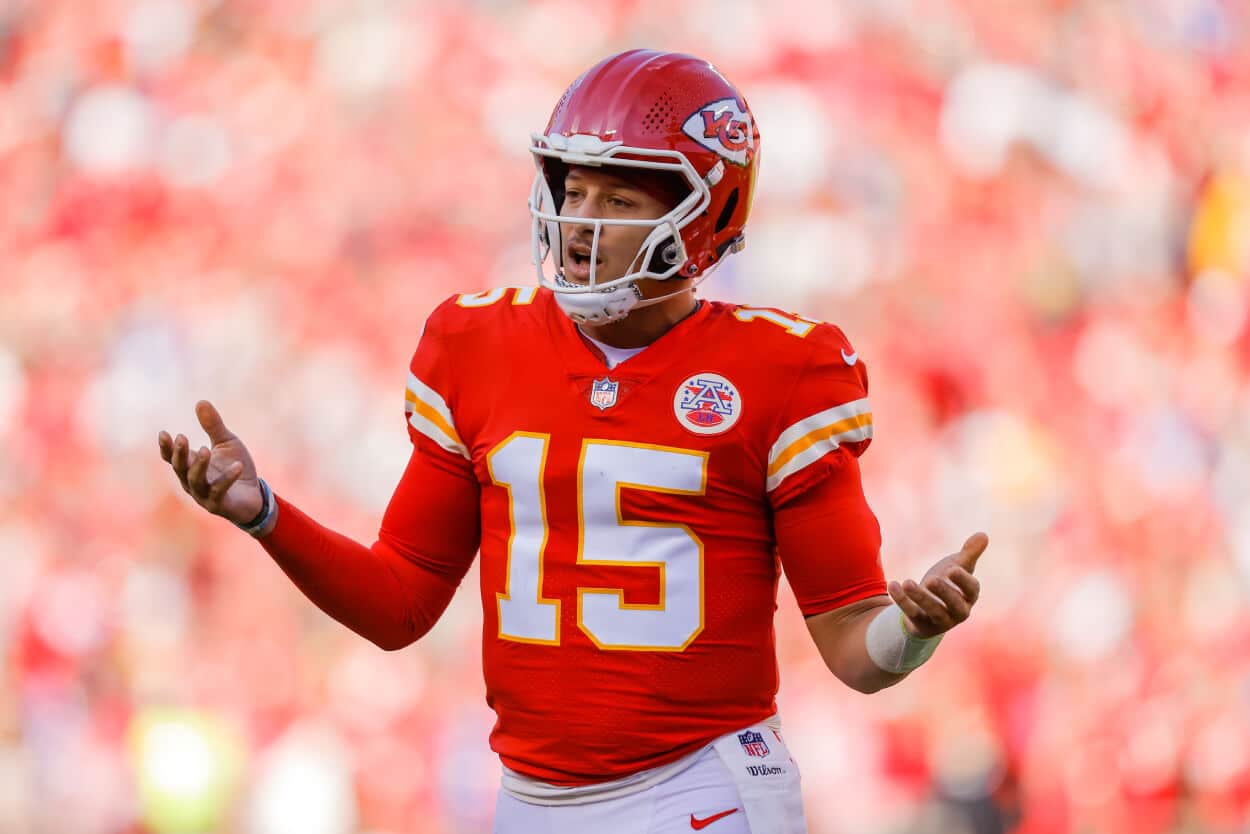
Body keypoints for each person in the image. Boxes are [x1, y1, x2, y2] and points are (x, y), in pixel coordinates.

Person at [157, 49, 988, 834]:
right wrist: (264, 514)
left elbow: (854, 649)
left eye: (620, 201)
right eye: (574, 191)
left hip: (699, 787)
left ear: (706, 215)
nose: (582, 223)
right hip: (528, 797)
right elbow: (399, 603)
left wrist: (914, 630)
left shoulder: (783, 368)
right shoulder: (475, 343)